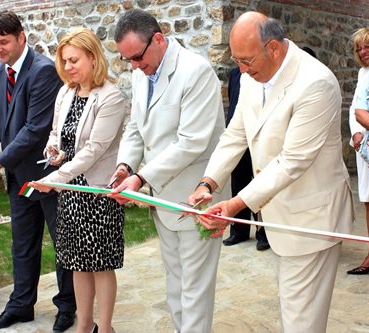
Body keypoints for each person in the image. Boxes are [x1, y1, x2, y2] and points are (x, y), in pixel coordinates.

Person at [189, 11, 354, 333]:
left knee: (301, 322)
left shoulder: (315, 83)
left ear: (274, 48)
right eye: (237, 61)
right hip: (281, 217)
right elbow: (235, 134)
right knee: (294, 313)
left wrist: (235, 205)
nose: (242, 70)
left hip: (312, 220)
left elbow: (292, 160)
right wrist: (207, 183)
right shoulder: (254, 75)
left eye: (247, 60)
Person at [109, 8, 230, 333]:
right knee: (175, 285)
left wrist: (141, 177)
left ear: (158, 39)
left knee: (194, 291)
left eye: (136, 57)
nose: (133, 66)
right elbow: (135, 126)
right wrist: (125, 166)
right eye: (127, 60)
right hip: (164, 203)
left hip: (197, 200)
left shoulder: (196, 72)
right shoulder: (140, 72)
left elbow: (191, 142)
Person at [0, 11, 76, 331]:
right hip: (19, 177)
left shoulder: (44, 71)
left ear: (21, 37)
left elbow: (34, 130)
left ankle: (67, 307)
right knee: (23, 244)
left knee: (63, 245)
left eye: (3, 42)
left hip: (48, 176)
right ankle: (20, 306)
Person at [29, 27, 126, 333]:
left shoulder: (112, 97)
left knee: (101, 262)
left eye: (73, 60)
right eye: (64, 61)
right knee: (77, 261)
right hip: (70, 190)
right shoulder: (66, 91)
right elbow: (58, 133)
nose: (67, 67)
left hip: (96, 191)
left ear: (93, 58)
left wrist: (55, 178)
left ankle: (105, 326)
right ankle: (85, 325)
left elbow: (94, 151)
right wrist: (53, 150)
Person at [223, 67, 269, 250]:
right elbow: (234, 104)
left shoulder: (264, 73)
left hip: (260, 138)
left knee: (262, 185)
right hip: (239, 138)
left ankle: (263, 232)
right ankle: (238, 230)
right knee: (238, 183)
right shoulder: (235, 74)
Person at [347, 27, 369, 275]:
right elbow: (356, 106)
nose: (363, 52)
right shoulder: (362, 73)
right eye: (359, 48)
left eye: (368, 46)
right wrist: (356, 132)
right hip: (366, 147)